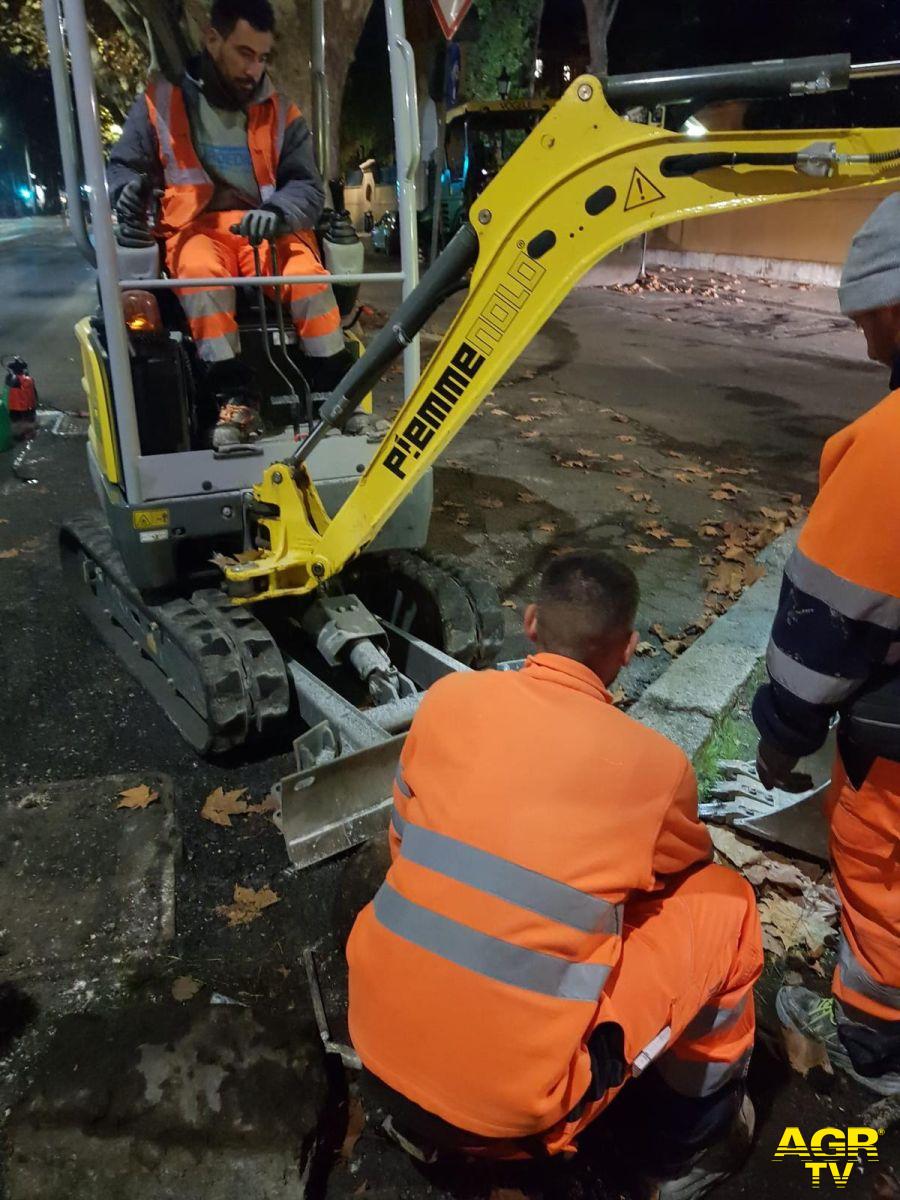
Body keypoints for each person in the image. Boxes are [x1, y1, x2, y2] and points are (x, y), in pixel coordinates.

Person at [347, 551, 763, 1197]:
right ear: (626, 650)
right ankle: (689, 1144)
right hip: (513, 1112)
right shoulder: (652, 764)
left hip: (373, 1036)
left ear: (532, 622)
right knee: (726, 905)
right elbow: (680, 871)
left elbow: (404, 837)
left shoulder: (448, 700)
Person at [754, 192, 900, 1096]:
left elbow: (822, 631)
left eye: (865, 314)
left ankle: (874, 1052)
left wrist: (782, 735)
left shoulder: (886, 452)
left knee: (881, 877)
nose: (861, 335)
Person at [107, 0, 347, 447]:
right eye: (244, 53)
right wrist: (127, 191)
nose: (254, 69)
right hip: (196, 229)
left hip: (269, 232)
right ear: (212, 39)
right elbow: (121, 169)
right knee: (200, 276)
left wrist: (277, 214)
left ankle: (338, 392)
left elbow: (308, 188)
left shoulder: (283, 113)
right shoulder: (160, 103)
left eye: (262, 58)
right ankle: (235, 399)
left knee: (309, 278)